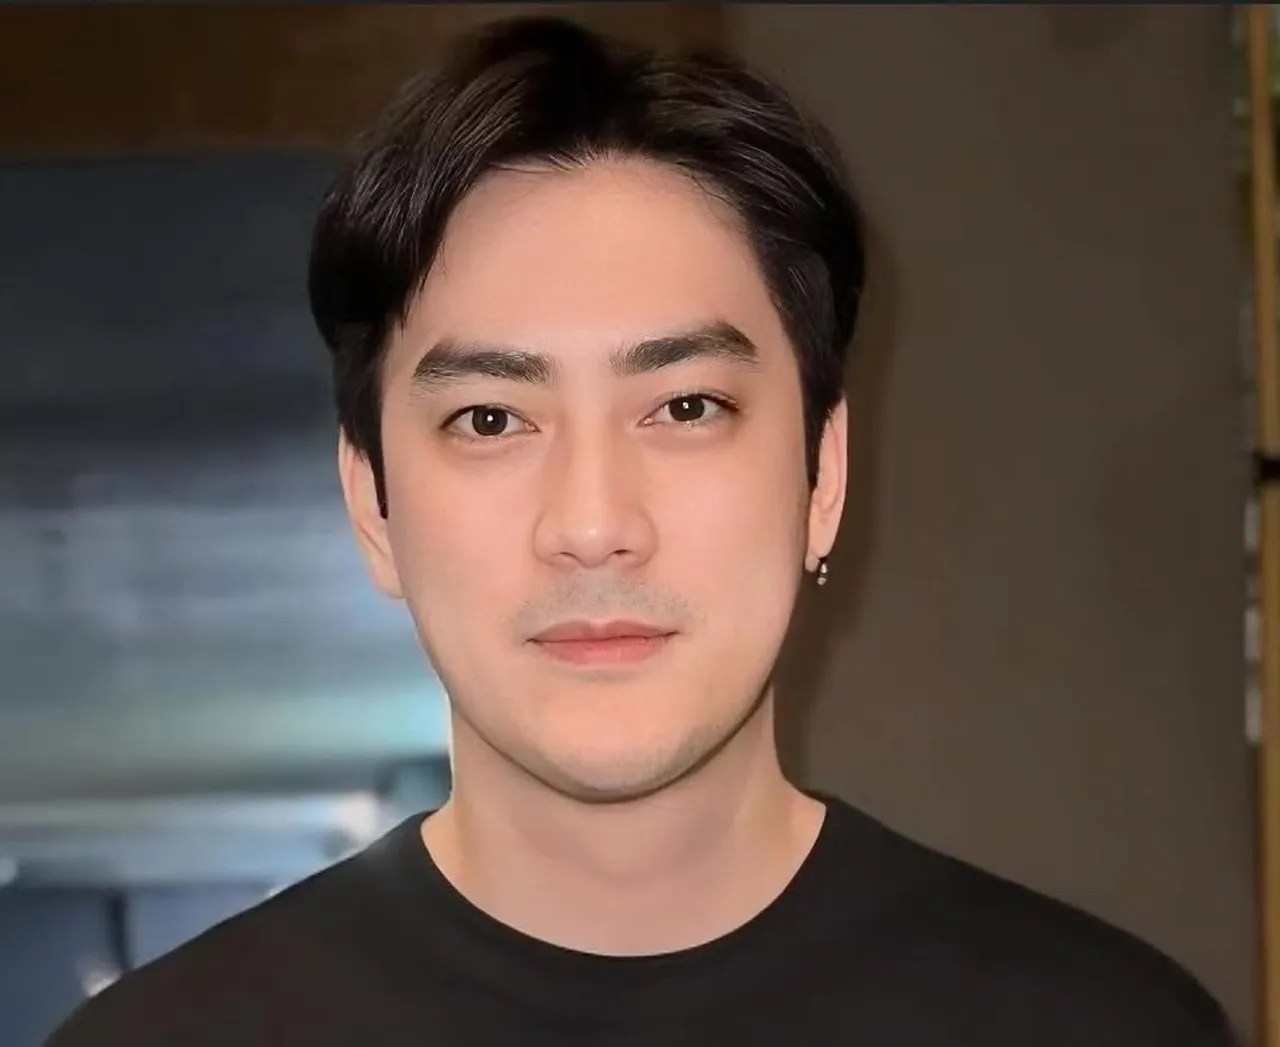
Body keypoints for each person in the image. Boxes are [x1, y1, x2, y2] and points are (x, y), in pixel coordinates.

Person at [49, 16, 1233, 1047]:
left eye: (684, 408)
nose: (591, 524)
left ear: (820, 474)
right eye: (490, 419)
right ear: (373, 505)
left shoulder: (1095, 1025)